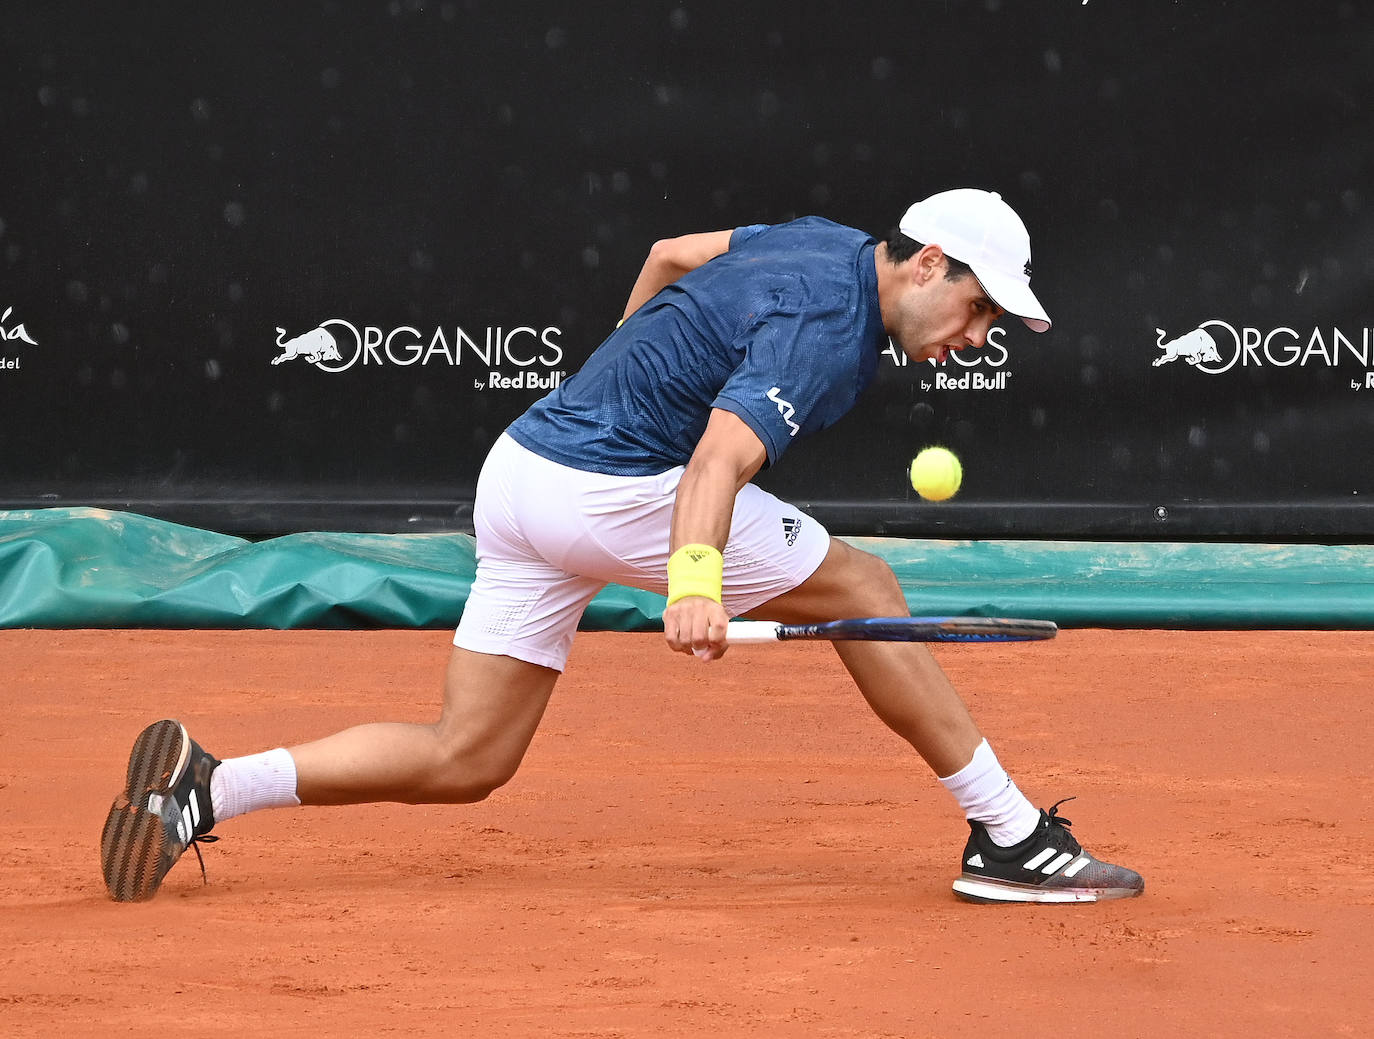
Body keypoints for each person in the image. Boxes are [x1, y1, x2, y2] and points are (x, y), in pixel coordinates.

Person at [101, 188, 1143, 905]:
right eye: (976, 308)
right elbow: (714, 464)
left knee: (470, 757)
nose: (974, 338)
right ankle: (1010, 834)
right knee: (860, 580)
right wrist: (693, 579)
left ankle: (204, 785)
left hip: (519, 472)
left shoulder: (820, 239)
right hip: (611, 491)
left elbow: (669, 256)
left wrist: (619, 376)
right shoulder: (829, 336)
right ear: (927, 264)